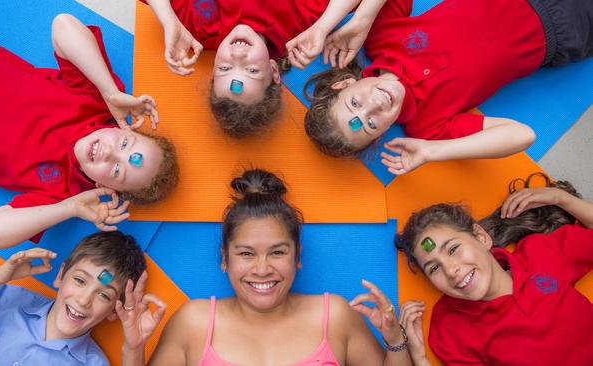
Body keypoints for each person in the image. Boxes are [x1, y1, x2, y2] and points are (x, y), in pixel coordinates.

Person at [0, 15, 179, 248]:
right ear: (128, 128)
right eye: (125, 143)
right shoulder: (98, 102)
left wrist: (70, 208)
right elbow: (63, 25)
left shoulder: (61, 193)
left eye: (117, 170)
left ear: (107, 188)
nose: (110, 153)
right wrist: (109, 91)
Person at [141, 168, 411, 365]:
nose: (262, 269)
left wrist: (395, 338)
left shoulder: (335, 316)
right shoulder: (193, 322)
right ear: (225, 259)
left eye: (277, 252)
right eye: (247, 253)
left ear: (297, 256)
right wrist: (133, 347)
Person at [303, 0, 592, 175]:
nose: (374, 106)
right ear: (381, 135)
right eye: (370, 124)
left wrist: (362, 21)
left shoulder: (380, 39)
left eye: (355, 103)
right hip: (565, 29)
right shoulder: (428, 128)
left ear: (345, 83)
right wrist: (432, 152)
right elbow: (522, 135)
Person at [394, 173, 593, 365]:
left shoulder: (540, 253)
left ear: (481, 237)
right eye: (434, 268)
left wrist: (560, 198)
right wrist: (419, 358)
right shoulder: (449, 331)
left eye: (453, 249)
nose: (450, 269)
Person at [141, 0, 373, 138]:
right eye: (251, 70)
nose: (238, 55)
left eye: (225, 67)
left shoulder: (200, 28)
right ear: (273, 71)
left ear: (212, 71)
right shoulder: (300, 24)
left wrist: (168, 20)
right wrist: (324, 26)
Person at [0, 231, 167, 366]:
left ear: (112, 312)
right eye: (80, 280)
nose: (83, 300)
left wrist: (134, 348)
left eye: (104, 294)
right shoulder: (9, 302)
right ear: (61, 275)